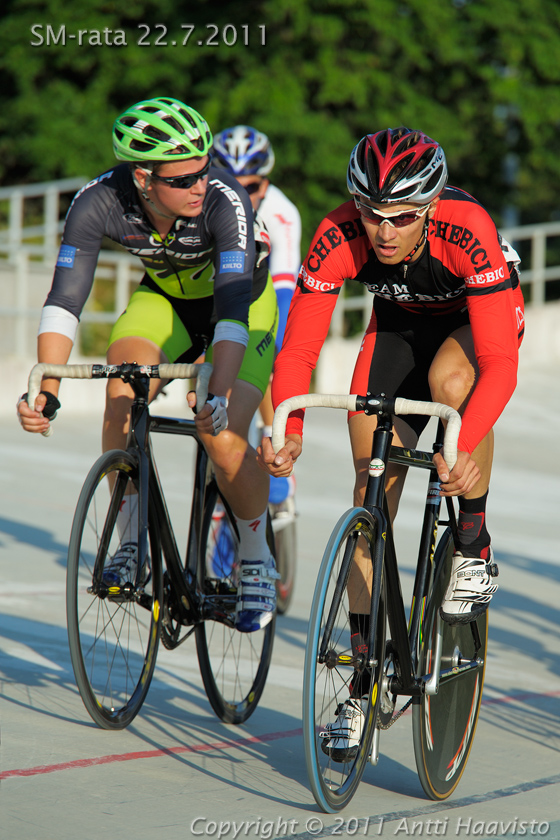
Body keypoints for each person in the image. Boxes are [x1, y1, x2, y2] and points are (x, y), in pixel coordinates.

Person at [261, 126, 524, 757]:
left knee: (452, 382)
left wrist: (463, 443)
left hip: (471, 329)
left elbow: (500, 364)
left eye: (402, 218)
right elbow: (299, 349)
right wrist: (287, 428)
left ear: (429, 209)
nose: (383, 231)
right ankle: (362, 683)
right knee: (368, 507)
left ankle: (472, 538)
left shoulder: (468, 228)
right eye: (372, 213)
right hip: (396, 335)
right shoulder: (338, 234)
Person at [17, 97, 280, 633]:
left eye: (203, 170)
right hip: (166, 303)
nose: (200, 184)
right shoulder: (97, 202)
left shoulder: (226, 204)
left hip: (242, 308)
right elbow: (66, 299)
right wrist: (45, 387)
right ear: (142, 178)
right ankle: (130, 544)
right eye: (182, 180)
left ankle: (256, 556)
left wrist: (218, 395)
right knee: (122, 388)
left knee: (221, 433)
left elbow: (231, 314)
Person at [212, 125, 301, 508]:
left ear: (265, 186)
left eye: (249, 187)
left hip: (265, 297)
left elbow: (284, 295)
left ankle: (271, 434)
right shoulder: (200, 202)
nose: (239, 193)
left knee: (271, 351)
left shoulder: (282, 213)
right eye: (228, 182)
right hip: (221, 299)